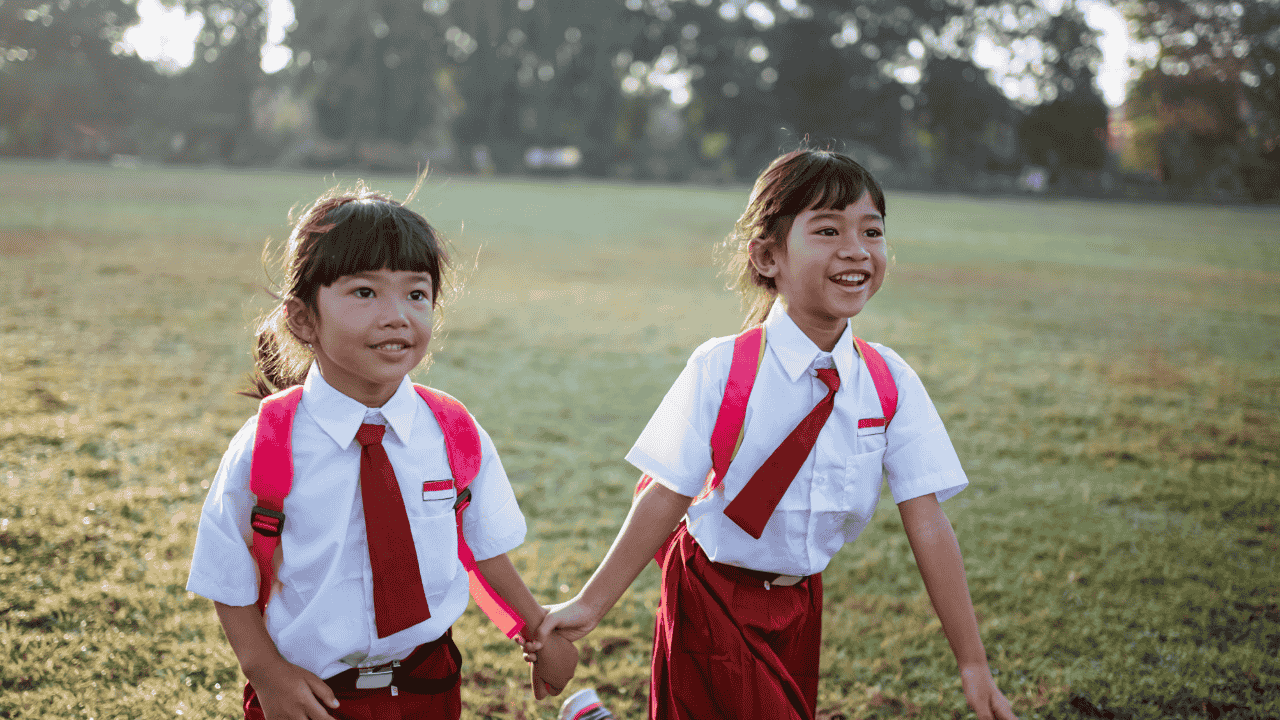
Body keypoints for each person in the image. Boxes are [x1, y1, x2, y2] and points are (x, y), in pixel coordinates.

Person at [530, 149, 1019, 720]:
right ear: (767, 256)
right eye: (828, 229)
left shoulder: (889, 381)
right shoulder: (723, 368)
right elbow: (666, 494)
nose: (856, 250)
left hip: (801, 604)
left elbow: (928, 519)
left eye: (872, 230)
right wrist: (591, 606)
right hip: (712, 594)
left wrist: (973, 663)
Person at [186, 179, 576, 720]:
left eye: (416, 293)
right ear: (303, 319)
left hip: (429, 683)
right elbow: (224, 570)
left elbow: (482, 548)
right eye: (365, 292)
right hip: (307, 693)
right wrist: (266, 673)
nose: (397, 315)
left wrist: (535, 628)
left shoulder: (453, 431)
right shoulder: (269, 442)